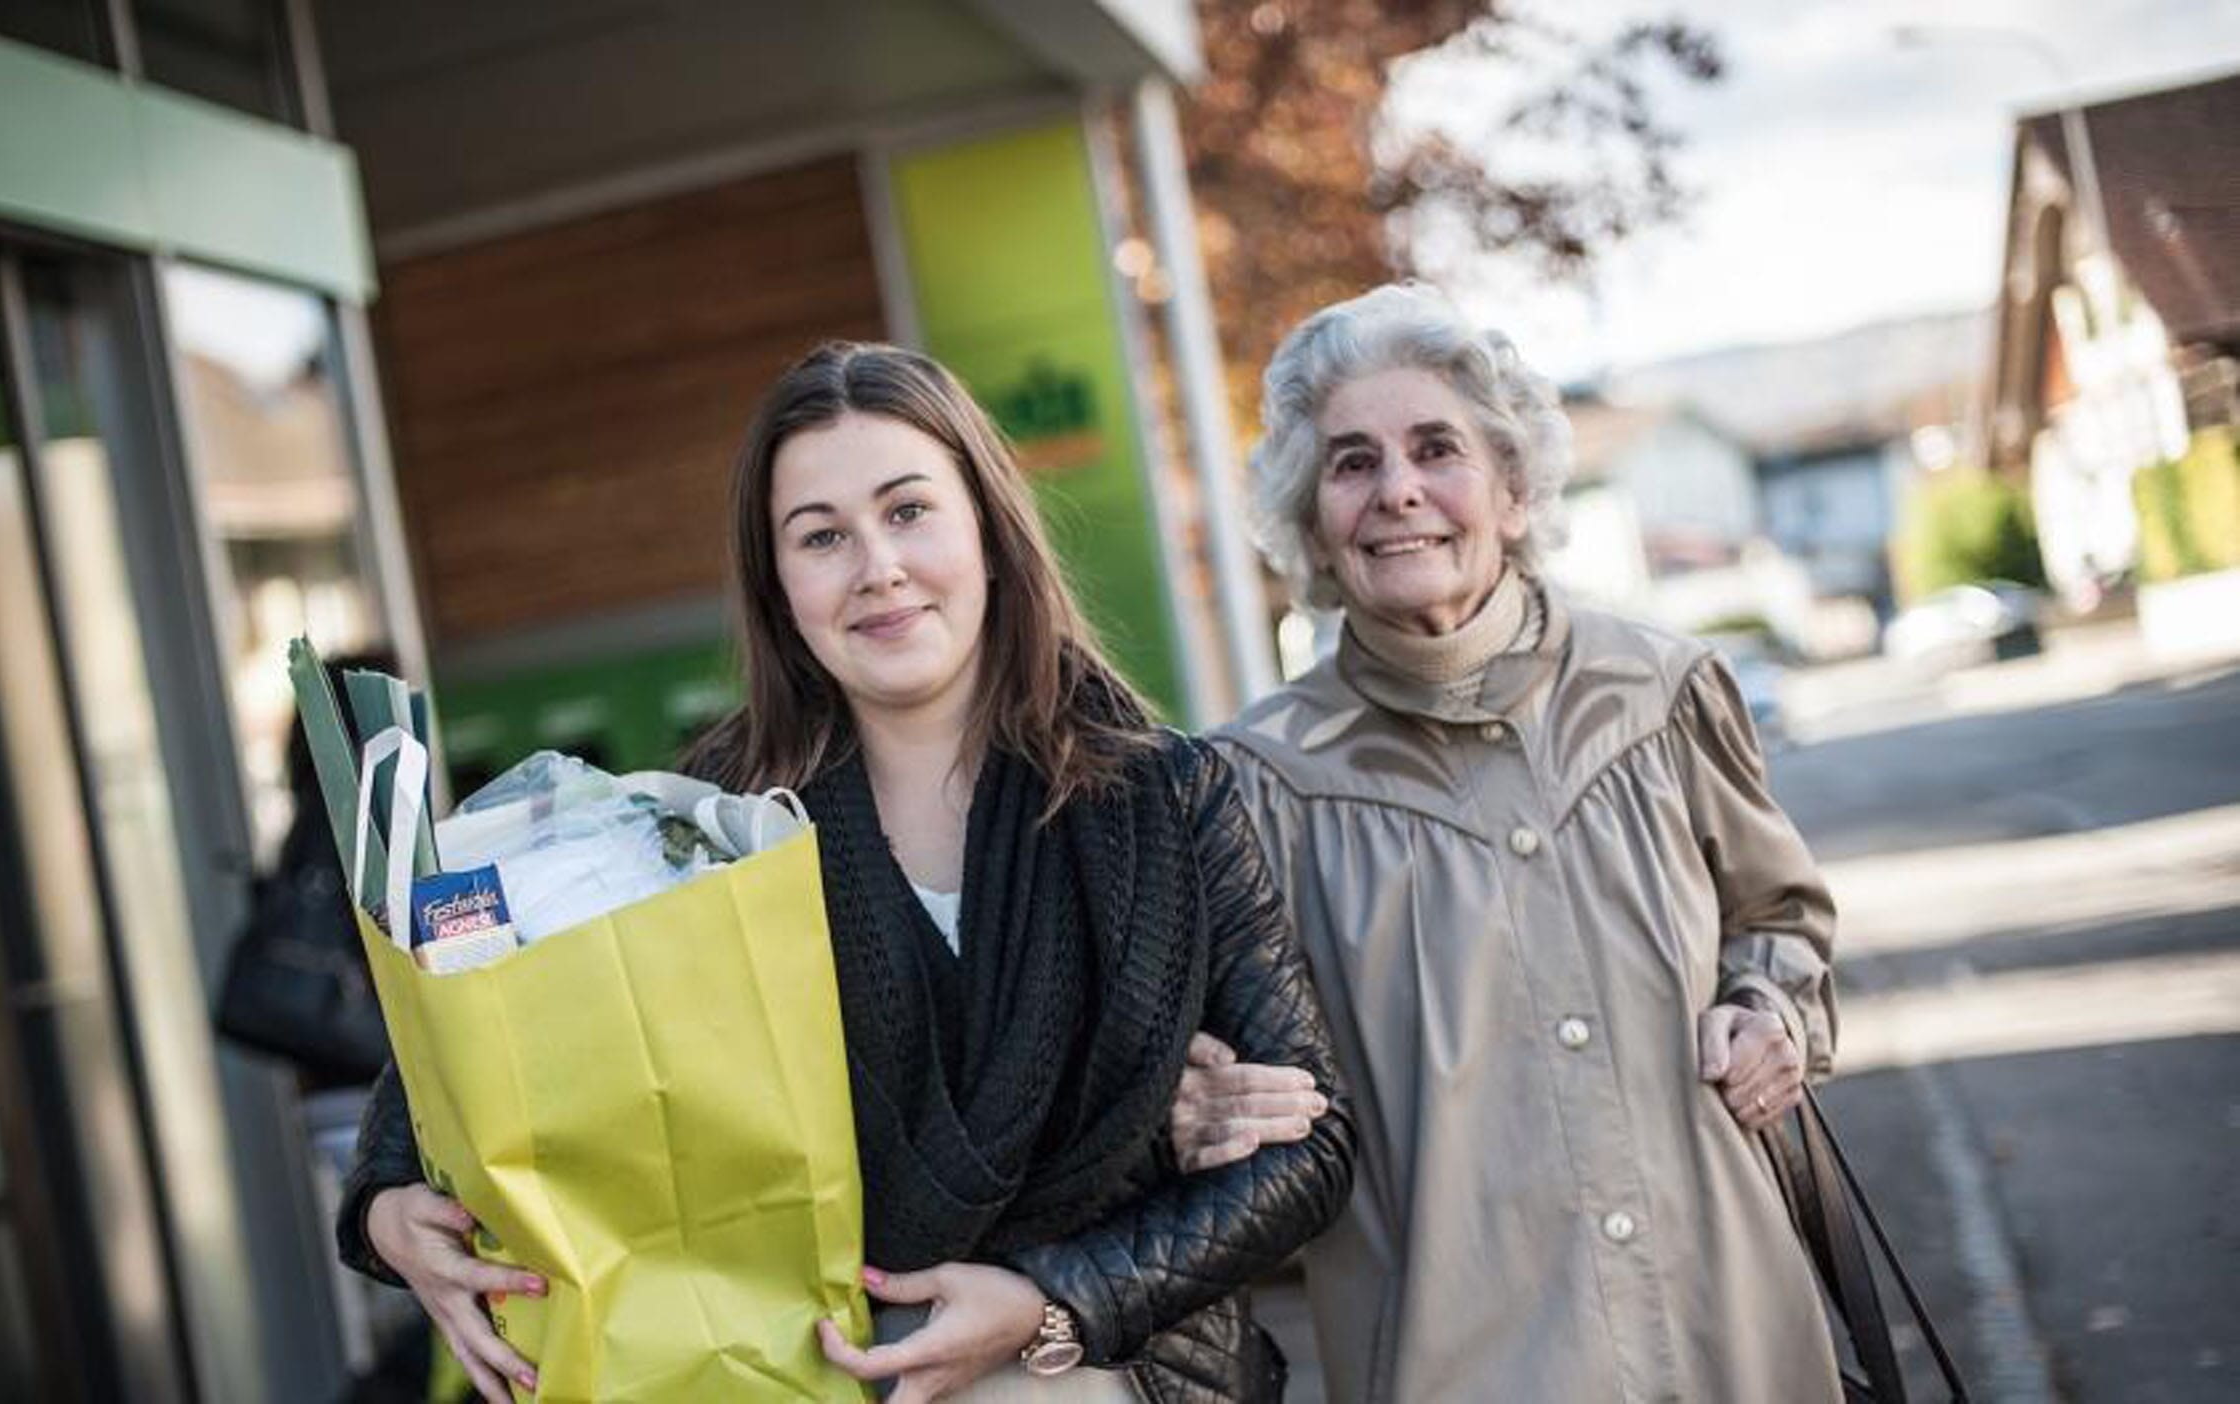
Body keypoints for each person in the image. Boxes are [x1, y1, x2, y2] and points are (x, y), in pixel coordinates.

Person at [335, 342, 1356, 1403]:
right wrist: (385, 1207)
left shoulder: (1163, 799)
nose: (878, 567)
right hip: (806, 1372)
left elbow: (1311, 1150)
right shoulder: (698, 827)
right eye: (821, 536)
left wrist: (1057, 1300)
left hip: (1121, 1375)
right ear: (778, 585)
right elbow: (461, 1048)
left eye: (909, 511)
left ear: (989, 532)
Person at [1194, 282, 1841, 1401]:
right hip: (1456, 1363)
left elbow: (1779, 921)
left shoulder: (1663, 694)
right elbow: (1218, 1086)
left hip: (1729, 1330)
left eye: (1434, 448)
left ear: (1512, 486)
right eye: (1350, 463)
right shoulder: (1254, 789)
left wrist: (1771, 1010)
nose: (1397, 490)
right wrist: (1193, 1109)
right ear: (1310, 522)